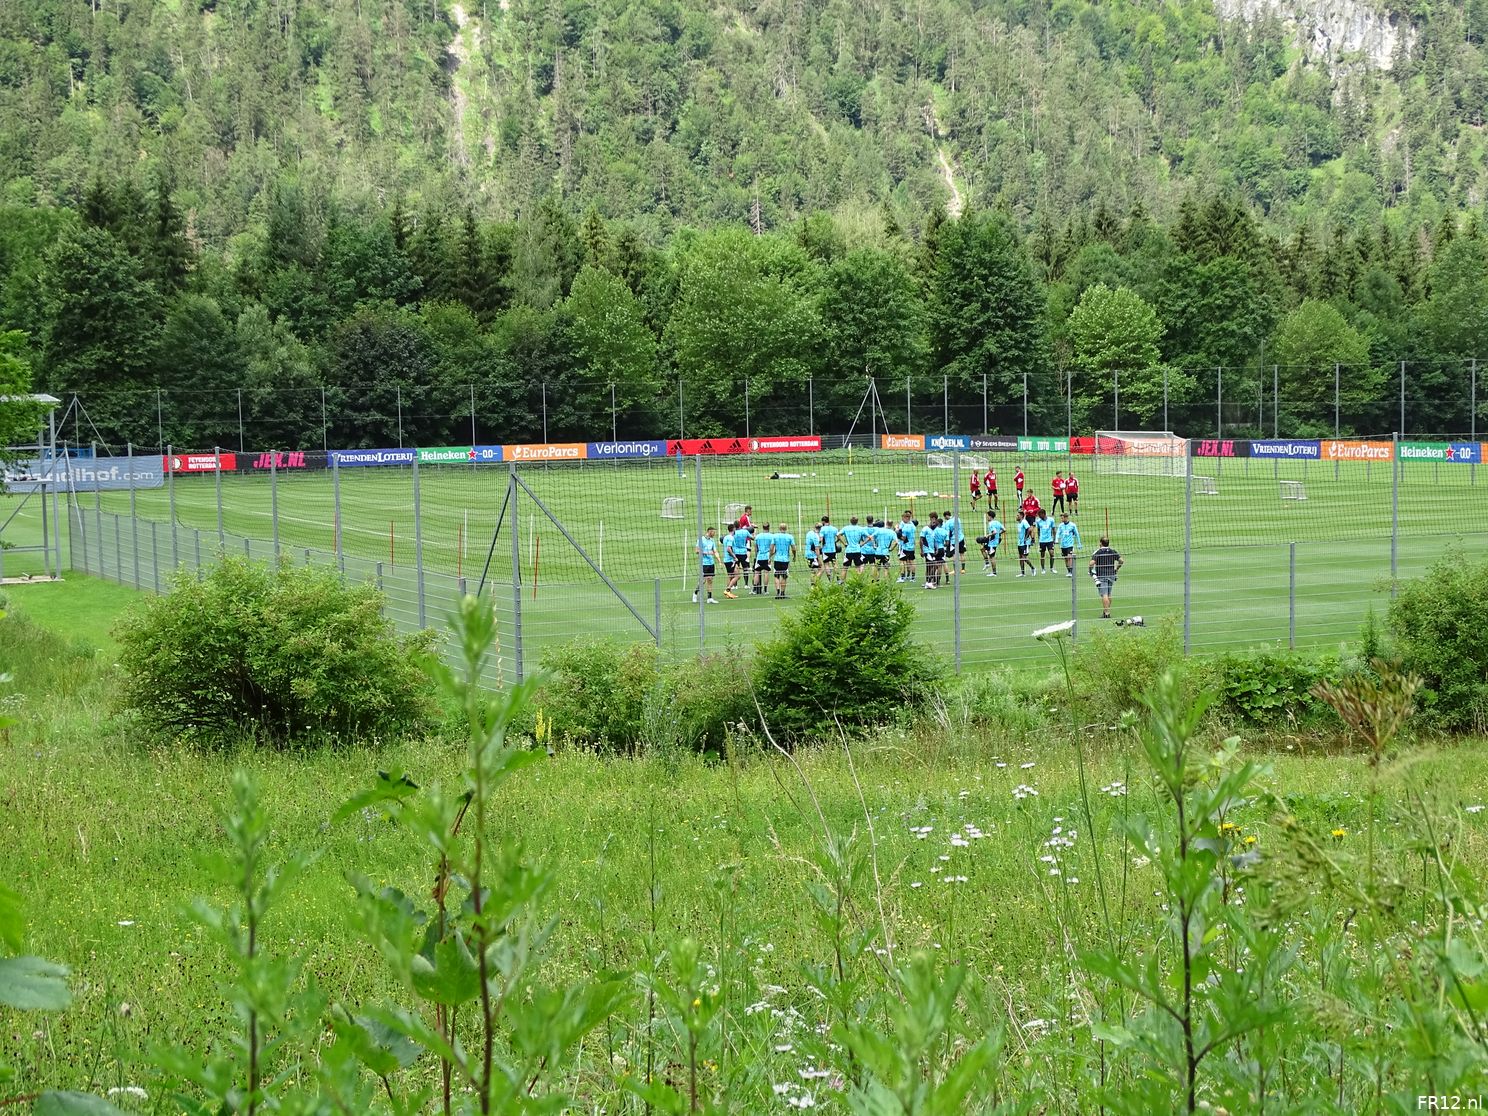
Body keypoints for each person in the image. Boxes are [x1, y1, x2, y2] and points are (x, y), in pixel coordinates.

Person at [1088, 535, 1123, 619]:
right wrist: (1117, 568)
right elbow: (1121, 560)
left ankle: (1107, 613)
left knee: (1104, 594)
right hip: (1111, 574)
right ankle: (1105, 611)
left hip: (1102, 575)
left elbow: (1091, 563)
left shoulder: (1098, 552)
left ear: (1100, 543)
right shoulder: (1112, 551)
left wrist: (1090, 570)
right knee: (1109, 594)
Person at [694, 526, 720, 603]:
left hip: (711, 563)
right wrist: (707, 553)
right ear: (709, 531)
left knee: (710, 580)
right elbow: (697, 551)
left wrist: (719, 560)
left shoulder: (712, 541)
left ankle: (709, 598)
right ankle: (695, 593)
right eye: (713, 532)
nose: (714, 534)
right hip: (704, 563)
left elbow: (715, 551)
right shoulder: (701, 539)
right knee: (703, 580)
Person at [727, 521, 751, 598]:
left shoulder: (733, 534)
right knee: (745, 568)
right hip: (743, 552)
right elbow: (751, 537)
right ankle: (746, 584)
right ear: (740, 525)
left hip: (736, 552)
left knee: (735, 569)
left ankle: (735, 585)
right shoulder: (745, 532)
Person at [772, 522, 795, 598]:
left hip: (777, 559)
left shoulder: (775, 536)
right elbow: (793, 548)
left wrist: (769, 556)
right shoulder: (790, 537)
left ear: (779, 528)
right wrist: (794, 556)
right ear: (786, 528)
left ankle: (778, 592)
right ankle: (782, 593)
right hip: (785, 559)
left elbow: (771, 548)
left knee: (776, 576)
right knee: (784, 576)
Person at [1056, 512, 1082, 577]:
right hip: (1063, 545)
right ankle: (1069, 570)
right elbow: (1058, 533)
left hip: (1070, 545)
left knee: (1069, 557)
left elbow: (1077, 534)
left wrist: (1079, 543)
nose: (1061, 519)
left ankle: (1071, 571)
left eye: (1062, 518)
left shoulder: (1072, 525)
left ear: (1066, 518)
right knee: (1066, 559)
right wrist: (1056, 539)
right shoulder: (1060, 525)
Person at [752, 522, 774, 596]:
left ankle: (754, 589)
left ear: (763, 527)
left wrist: (756, 555)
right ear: (769, 527)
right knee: (766, 573)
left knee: (757, 572)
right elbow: (772, 548)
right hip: (767, 556)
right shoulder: (772, 536)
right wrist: (770, 556)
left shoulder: (758, 536)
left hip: (759, 556)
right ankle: (765, 590)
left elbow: (755, 547)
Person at [896, 510, 918, 583]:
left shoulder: (905, 527)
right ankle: (913, 578)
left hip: (905, 547)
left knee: (902, 562)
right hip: (911, 547)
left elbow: (904, 538)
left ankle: (902, 578)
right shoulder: (913, 526)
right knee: (912, 562)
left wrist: (897, 533)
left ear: (906, 518)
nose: (902, 519)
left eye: (903, 517)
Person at [942, 508, 966, 574]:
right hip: (961, 538)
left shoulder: (947, 523)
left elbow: (948, 533)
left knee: (955, 555)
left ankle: (955, 570)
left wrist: (946, 542)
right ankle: (963, 569)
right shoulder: (958, 519)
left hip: (953, 540)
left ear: (946, 516)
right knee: (962, 554)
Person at [982, 509, 1005, 576]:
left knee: (992, 557)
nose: (987, 517)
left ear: (990, 516)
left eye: (987, 516)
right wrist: (999, 534)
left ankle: (994, 572)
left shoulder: (991, 524)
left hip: (992, 542)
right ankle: (987, 563)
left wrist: (988, 535)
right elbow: (1004, 529)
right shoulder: (997, 522)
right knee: (982, 549)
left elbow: (994, 532)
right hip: (994, 541)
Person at [920, 513, 940, 589]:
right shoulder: (925, 529)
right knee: (935, 565)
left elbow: (934, 541)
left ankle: (927, 583)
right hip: (927, 551)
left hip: (932, 551)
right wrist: (922, 551)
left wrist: (937, 548)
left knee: (929, 567)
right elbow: (921, 540)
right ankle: (929, 582)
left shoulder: (934, 530)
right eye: (933, 520)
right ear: (931, 519)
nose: (934, 523)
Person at [1016, 512, 1036, 576]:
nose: (1016, 516)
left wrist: (1026, 537)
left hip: (1025, 543)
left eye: (1018, 515)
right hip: (1020, 543)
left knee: (1024, 557)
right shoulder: (1019, 523)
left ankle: (1033, 568)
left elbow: (1029, 529)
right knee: (1020, 557)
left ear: (1021, 516)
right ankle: (1022, 573)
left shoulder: (1024, 522)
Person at [804, 520, 823, 584]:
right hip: (813, 556)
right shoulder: (816, 537)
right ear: (821, 528)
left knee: (813, 571)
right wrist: (819, 560)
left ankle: (813, 585)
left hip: (807, 554)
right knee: (821, 569)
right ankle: (814, 584)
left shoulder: (809, 533)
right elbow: (817, 549)